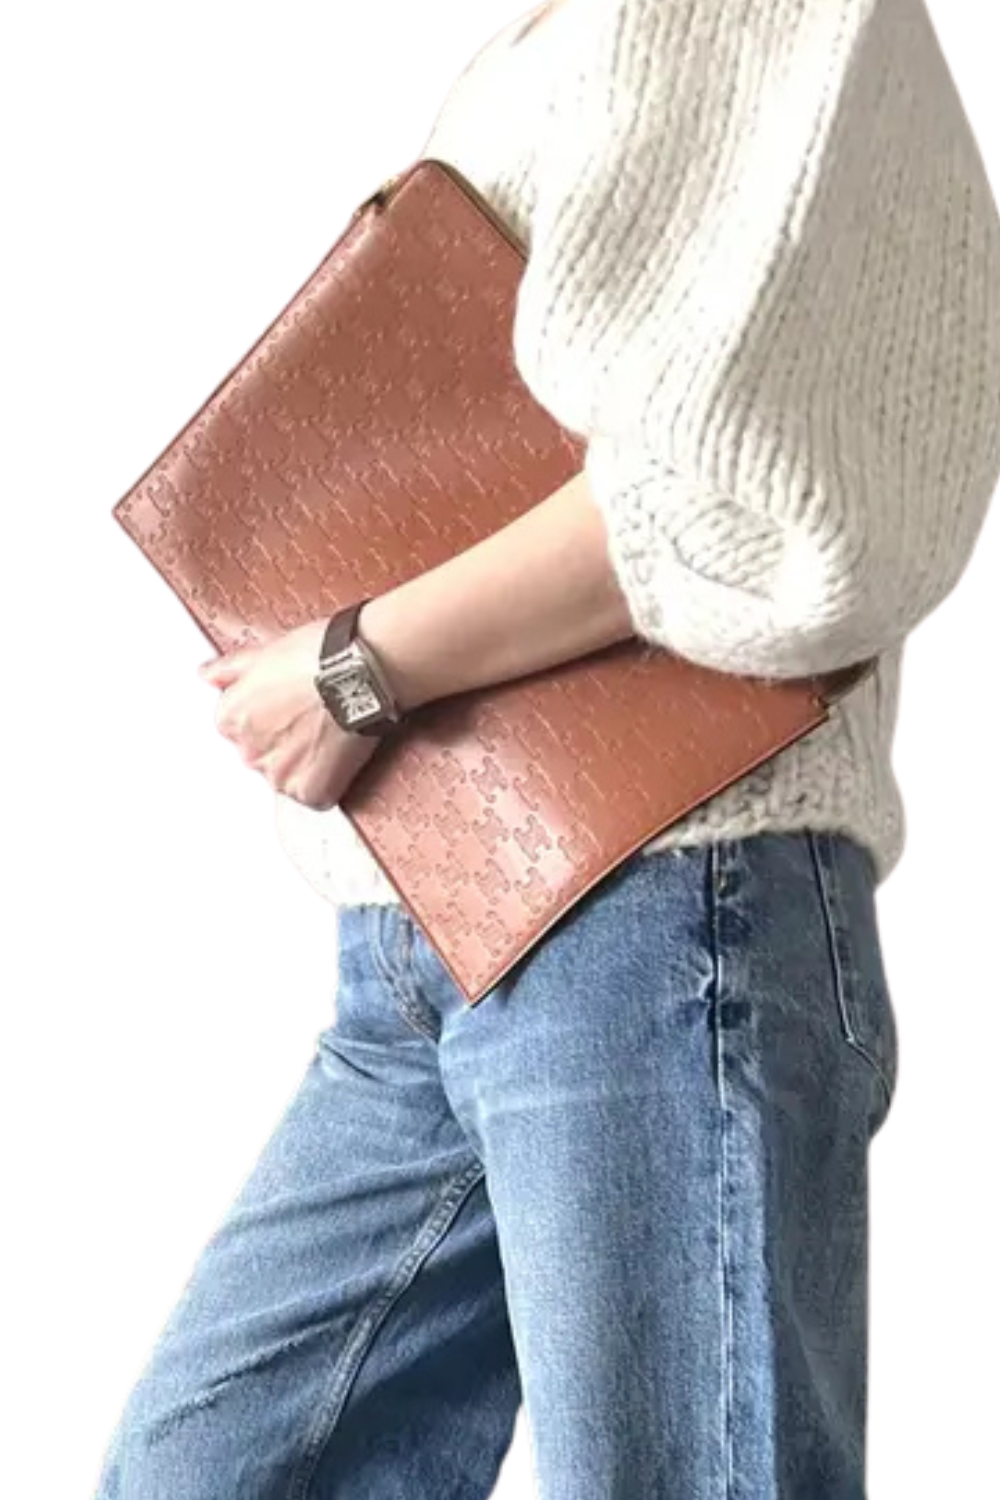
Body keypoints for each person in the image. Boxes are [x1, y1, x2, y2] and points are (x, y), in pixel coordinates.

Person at [93, 2, 1000, 1496]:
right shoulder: (538, 44)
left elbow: (731, 484)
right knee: (205, 1469)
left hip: (660, 900)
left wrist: (360, 667)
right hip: (426, 940)